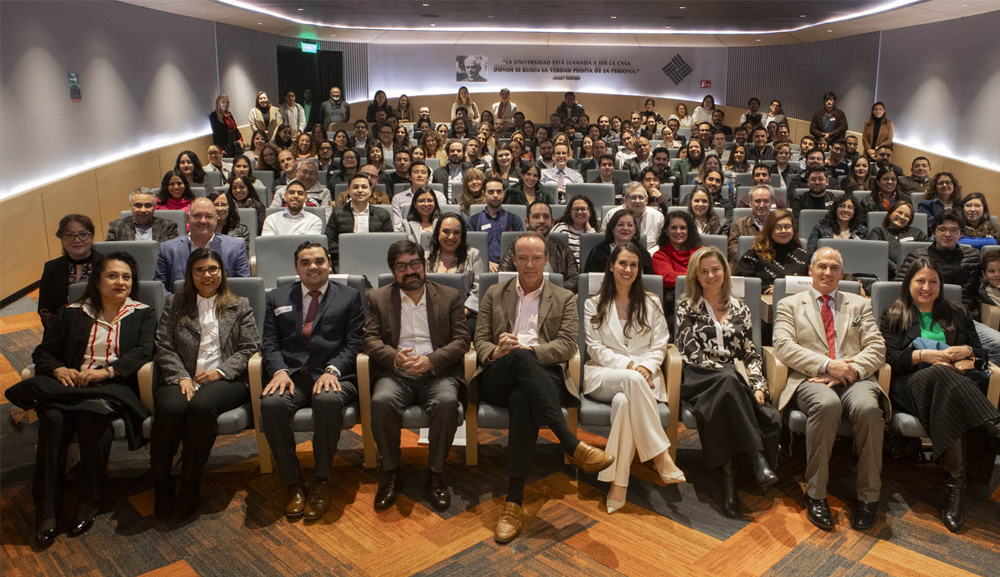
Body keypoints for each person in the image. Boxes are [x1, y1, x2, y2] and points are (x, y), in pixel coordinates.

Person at [7, 253, 155, 546]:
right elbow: (43, 353)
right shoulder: (71, 312)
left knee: (93, 418)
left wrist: (107, 372)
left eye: (126, 277)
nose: (121, 282)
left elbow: (144, 351)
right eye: (113, 276)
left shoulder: (143, 313)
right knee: (52, 420)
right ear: (97, 281)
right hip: (69, 382)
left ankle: (89, 500)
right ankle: (47, 511)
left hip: (110, 387)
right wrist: (60, 368)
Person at [475, 233, 613, 544]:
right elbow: (479, 340)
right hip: (499, 373)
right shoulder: (495, 294)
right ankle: (570, 442)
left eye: (536, 258)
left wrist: (526, 351)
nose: (529, 264)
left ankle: (513, 501)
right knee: (518, 364)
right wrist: (496, 351)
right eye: (522, 258)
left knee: (524, 396)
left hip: (542, 375)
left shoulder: (563, 297)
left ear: (546, 260)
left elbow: (566, 345)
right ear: (513, 259)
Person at [879, 258, 1000, 532]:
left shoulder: (957, 312)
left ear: (941, 285)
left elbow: (981, 352)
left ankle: (955, 489)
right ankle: (994, 426)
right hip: (909, 385)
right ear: (909, 283)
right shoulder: (894, 314)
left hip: (952, 389)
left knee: (948, 394)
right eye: (920, 281)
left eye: (933, 281)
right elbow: (889, 358)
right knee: (941, 373)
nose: (927, 287)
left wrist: (965, 351)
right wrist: (924, 355)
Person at [773, 247, 887, 531]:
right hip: (811, 379)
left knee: (869, 409)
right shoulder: (790, 305)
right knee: (827, 405)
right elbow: (783, 346)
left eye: (834, 267)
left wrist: (851, 369)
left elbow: (877, 347)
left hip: (854, 377)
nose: (828, 272)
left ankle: (869, 497)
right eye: (822, 266)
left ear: (841, 272)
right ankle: (816, 494)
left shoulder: (859, 305)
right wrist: (827, 365)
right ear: (810, 270)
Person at [150, 248, 257, 520]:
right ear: (191, 274)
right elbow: (163, 345)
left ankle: (190, 482)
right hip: (182, 377)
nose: (207, 275)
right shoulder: (175, 304)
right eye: (200, 270)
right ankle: (161, 484)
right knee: (171, 409)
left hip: (226, 380)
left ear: (222, 272)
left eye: (213, 269)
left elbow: (250, 347)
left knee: (200, 407)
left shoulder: (239, 304)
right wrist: (181, 376)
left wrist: (220, 372)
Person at [260, 241, 363, 520]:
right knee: (271, 405)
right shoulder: (278, 296)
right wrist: (279, 370)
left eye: (319, 261)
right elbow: (269, 342)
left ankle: (321, 481)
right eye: (305, 262)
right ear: (296, 268)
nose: (312, 267)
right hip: (291, 375)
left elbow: (354, 342)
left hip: (334, 374)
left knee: (328, 401)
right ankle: (292, 483)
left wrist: (333, 369)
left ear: (330, 264)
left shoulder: (350, 296)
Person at [363, 240, 470, 511]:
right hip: (396, 372)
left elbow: (461, 340)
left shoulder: (448, 295)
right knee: (381, 401)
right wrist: (395, 357)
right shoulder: (378, 298)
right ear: (393, 270)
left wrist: (430, 361)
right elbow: (369, 339)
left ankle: (435, 474)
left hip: (437, 372)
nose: (410, 271)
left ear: (424, 265)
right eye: (402, 266)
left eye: (414, 264)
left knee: (447, 402)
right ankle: (392, 471)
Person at [676, 246, 781, 517]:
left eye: (716, 269)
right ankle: (757, 457)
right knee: (726, 379)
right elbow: (689, 352)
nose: (711, 275)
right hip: (697, 376)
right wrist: (729, 374)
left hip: (730, 380)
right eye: (704, 271)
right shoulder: (686, 307)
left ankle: (728, 479)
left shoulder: (741, 309)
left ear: (725, 272)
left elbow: (749, 352)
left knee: (725, 393)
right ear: (695, 276)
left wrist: (758, 385)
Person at [583, 243, 683, 513]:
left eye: (633, 265)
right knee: (631, 381)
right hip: (604, 375)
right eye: (623, 264)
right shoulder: (594, 303)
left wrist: (647, 368)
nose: (628, 270)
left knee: (624, 405)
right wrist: (630, 366)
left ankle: (618, 484)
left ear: (639, 270)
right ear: (612, 266)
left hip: (645, 377)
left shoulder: (651, 302)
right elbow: (595, 348)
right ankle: (661, 455)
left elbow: (660, 343)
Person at [897, 210, 1000, 365]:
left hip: (965, 319)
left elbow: (982, 285)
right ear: (934, 233)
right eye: (942, 229)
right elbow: (901, 287)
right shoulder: (917, 257)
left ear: (961, 234)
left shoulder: (972, 256)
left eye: (953, 230)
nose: (948, 234)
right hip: (925, 316)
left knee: (997, 343)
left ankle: (985, 380)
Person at [156, 198, 251, 291]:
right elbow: (160, 288)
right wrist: (175, 303)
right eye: (197, 216)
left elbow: (243, 287)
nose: (203, 221)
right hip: (180, 305)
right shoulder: (168, 249)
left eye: (208, 216)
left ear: (216, 219)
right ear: (188, 218)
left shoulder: (236, 247)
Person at [498, 201, 580, 292]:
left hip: (557, 300)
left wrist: (549, 291)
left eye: (546, 217)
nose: (541, 221)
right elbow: (504, 278)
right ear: (527, 222)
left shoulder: (563, 250)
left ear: (552, 222)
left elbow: (575, 280)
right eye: (536, 217)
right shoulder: (514, 248)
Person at [38, 214, 103, 326]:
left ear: (92, 237)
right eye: (69, 235)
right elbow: (45, 309)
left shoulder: (109, 265)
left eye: (83, 234)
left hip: (103, 326)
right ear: (62, 239)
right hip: (64, 329)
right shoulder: (51, 268)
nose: (77, 240)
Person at [325, 174, 393, 272]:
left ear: (370, 191)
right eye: (355, 187)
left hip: (376, 260)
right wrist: (350, 251)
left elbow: (389, 242)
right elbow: (328, 241)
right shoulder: (337, 213)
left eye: (364, 187)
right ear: (349, 191)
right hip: (344, 260)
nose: (360, 190)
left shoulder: (383, 214)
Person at [735, 209, 809, 294]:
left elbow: (815, 285)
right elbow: (739, 285)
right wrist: (769, 290)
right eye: (778, 227)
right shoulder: (754, 255)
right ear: (770, 230)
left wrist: (783, 289)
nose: (783, 231)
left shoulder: (806, 256)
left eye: (788, 226)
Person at [427, 213, 484, 314]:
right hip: (432, 312)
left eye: (456, 232)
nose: (451, 237)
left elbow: (480, 287)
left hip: (465, 313)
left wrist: (467, 309)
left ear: (462, 235)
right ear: (437, 233)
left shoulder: (473, 255)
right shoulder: (426, 257)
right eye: (446, 231)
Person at [467, 177, 524, 271]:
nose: (495, 195)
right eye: (491, 192)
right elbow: (469, 249)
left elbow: (520, 248)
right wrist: (487, 263)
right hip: (480, 267)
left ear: (504, 194)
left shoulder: (514, 220)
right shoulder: (473, 221)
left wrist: (504, 265)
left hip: (509, 268)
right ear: (483, 194)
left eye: (499, 191)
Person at [652, 211, 701, 311]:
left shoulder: (700, 253)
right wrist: (697, 276)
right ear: (667, 231)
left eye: (682, 228)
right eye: (674, 228)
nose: (678, 232)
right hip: (673, 305)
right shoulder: (659, 256)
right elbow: (668, 277)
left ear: (688, 231)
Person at [866, 201, 928, 279]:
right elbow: (876, 254)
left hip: (914, 274)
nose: (902, 217)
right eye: (899, 212)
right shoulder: (878, 232)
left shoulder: (917, 232)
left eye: (907, 216)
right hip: (886, 276)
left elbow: (928, 250)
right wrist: (898, 270)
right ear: (890, 213)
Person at [602, 182, 665, 254]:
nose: (637, 201)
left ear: (646, 200)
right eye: (633, 197)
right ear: (625, 199)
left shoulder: (658, 217)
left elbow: (660, 244)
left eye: (641, 197)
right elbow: (607, 240)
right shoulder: (612, 215)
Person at [106, 187, 179, 243]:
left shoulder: (168, 226)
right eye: (138, 205)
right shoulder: (116, 226)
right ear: (130, 207)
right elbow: (109, 252)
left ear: (154, 207)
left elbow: (174, 252)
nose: (143, 210)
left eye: (148, 205)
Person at [391, 162, 448, 231]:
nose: (419, 175)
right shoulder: (398, 198)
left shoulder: (439, 196)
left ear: (428, 178)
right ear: (409, 176)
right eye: (416, 172)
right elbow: (397, 225)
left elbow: (441, 220)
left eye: (423, 172)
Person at [729, 185, 776, 266]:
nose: (761, 205)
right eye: (757, 201)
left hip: (773, 266)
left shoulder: (779, 223)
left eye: (766, 201)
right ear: (750, 203)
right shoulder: (739, 224)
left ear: (771, 203)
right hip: (746, 265)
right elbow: (733, 250)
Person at [551, 195, 599, 264]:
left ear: (590, 212)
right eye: (576, 209)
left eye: (583, 209)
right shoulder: (560, 228)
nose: (579, 212)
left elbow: (597, 254)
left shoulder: (594, 232)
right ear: (570, 212)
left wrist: (589, 230)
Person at [207, 189, 250, 254]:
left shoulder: (242, 230)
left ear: (230, 207)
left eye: (224, 205)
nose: (220, 208)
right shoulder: (203, 229)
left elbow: (243, 256)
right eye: (216, 205)